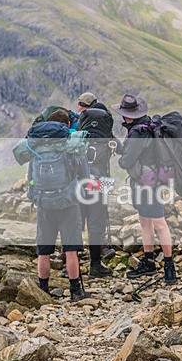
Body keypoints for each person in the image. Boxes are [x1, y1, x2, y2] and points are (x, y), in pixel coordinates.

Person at [26, 110, 90, 302]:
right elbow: (85, 175)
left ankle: (43, 291)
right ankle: (76, 292)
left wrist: (36, 196)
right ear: (67, 124)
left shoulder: (37, 146)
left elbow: (30, 177)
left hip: (44, 203)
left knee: (44, 250)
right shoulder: (71, 145)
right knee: (70, 249)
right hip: (68, 202)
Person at [114, 94, 177, 285]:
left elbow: (126, 162)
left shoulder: (137, 132)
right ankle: (150, 262)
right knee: (145, 221)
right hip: (152, 181)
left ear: (126, 115)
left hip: (146, 185)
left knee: (158, 223)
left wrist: (121, 157)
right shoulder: (147, 125)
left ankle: (169, 267)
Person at [74, 92, 116, 278]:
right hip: (101, 181)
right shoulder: (107, 136)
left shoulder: (78, 135)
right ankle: (95, 265)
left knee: (77, 222)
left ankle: (71, 266)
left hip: (81, 181)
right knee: (96, 223)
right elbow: (120, 149)